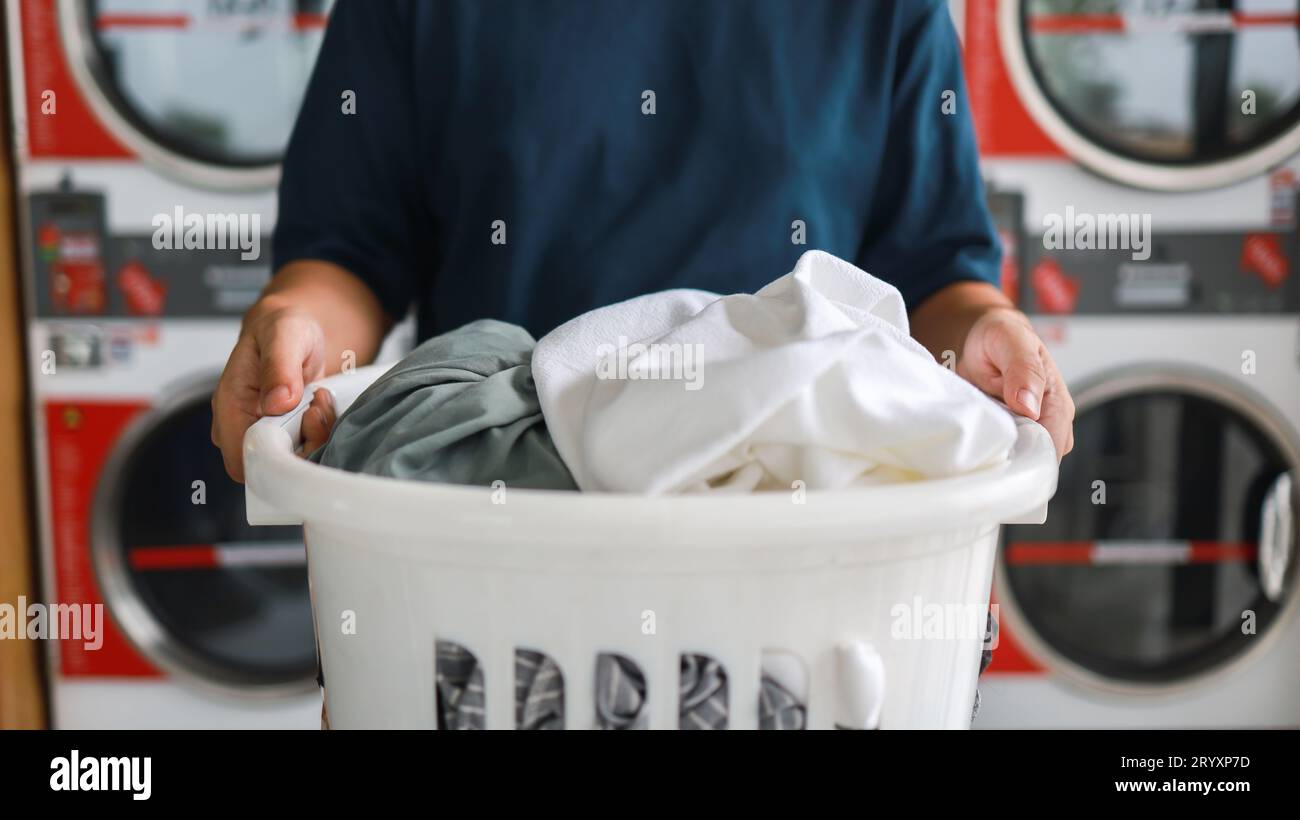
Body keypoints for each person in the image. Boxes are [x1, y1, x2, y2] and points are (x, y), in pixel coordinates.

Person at [211, 0, 1074, 482]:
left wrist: (989, 341)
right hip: (492, 511)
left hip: (805, 544)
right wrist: (299, 335)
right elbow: (351, 258)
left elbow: (933, 281)